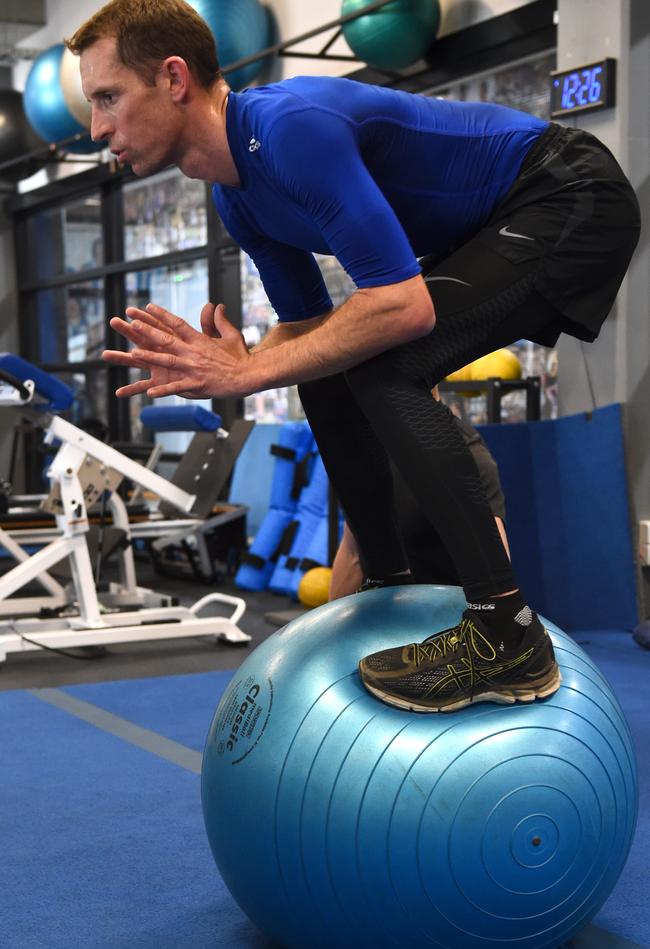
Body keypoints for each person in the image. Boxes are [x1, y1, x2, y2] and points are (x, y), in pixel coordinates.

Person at [67, 0, 641, 713]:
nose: (96, 129)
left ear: (175, 78)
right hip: (492, 224)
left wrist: (248, 371)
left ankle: (507, 633)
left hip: (567, 191)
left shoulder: (285, 129)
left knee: (384, 362)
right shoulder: (235, 197)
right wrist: (219, 367)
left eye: (107, 98)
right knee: (333, 365)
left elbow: (403, 309)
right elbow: (308, 328)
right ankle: (387, 588)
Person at [330, 389, 510, 599]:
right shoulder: (370, 448)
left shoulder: (466, 455)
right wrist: (327, 629)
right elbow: (353, 552)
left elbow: (494, 575)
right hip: (384, 614)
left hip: (444, 618)